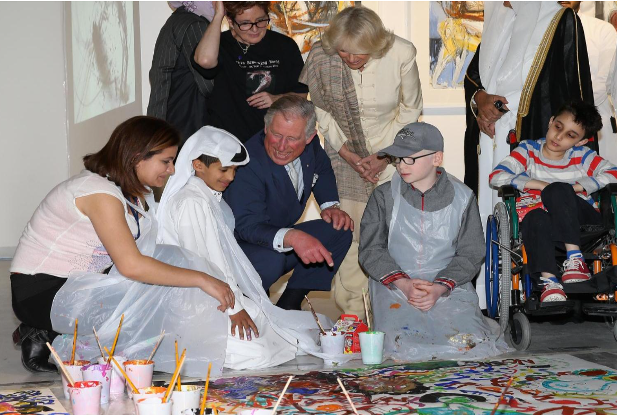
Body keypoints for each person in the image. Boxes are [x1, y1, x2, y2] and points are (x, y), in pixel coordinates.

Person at [10, 117, 235, 373]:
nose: (172, 169)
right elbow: (131, 265)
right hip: (42, 291)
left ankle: (63, 333)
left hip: (79, 283)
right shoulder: (98, 193)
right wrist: (202, 279)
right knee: (162, 296)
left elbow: (148, 253)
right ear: (136, 157)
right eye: (166, 161)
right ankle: (48, 330)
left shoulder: (128, 192)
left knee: (176, 263)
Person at [463, 2, 594, 305]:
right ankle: (485, 301)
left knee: (531, 218)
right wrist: (479, 102)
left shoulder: (561, 19)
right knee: (488, 214)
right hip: (490, 143)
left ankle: (543, 286)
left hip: (536, 141)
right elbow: (474, 78)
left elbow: (576, 92)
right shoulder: (498, 17)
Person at [299, 6, 423, 319]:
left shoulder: (401, 53)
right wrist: (347, 153)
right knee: (350, 234)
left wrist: (385, 155)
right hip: (344, 158)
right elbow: (321, 111)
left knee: (390, 235)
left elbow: (411, 109)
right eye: (344, 52)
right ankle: (354, 311)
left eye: (360, 53)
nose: (352, 60)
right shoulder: (322, 57)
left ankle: (397, 309)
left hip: (395, 156)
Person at [359, 122, 507, 361]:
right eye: (397, 159)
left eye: (409, 159)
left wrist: (439, 287)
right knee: (401, 343)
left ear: (436, 158)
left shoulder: (463, 197)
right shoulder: (383, 196)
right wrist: (404, 284)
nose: (400, 166)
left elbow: (471, 253)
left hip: (449, 286)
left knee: (468, 343)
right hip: (395, 285)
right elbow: (371, 250)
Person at [157, 126, 299, 369]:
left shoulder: (205, 196)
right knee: (260, 354)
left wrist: (239, 306)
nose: (231, 177)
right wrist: (233, 310)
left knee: (284, 334)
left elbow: (218, 257)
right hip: (196, 299)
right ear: (198, 165)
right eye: (224, 169)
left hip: (217, 293)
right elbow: (202, 264)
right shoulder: (191, 201)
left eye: (234, 169)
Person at [225, 95, 353, 311]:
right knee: (271, 262)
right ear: (266, 128)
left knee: (340, 229)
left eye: (292, 139)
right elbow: (247, 226)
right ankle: (250, 306)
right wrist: (293, 237)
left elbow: (321, 168)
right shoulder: (247, 163)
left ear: (310, 137)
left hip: (276, 234)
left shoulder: (312, 147)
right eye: (276, 134)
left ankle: (289, 305)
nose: (282, 146)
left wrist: (329, 206)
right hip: (241, 245)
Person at [490, 101, 616, 302]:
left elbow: (613, 173)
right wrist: (540, 185)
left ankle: (575, 259)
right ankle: (550, 283)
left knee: (558, 190)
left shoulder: (582, 156)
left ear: (581, 142)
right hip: (545, 226)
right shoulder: (528, 150)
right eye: (558, 127)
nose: (559, 137)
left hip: (582, 223)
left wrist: (576, 187)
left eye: (570, 135)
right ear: (551, 122)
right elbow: (497, 176)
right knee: (535, 217)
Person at [192, 1, 308, 142]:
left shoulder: (285, 46)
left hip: (272, 144)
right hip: (227, 144)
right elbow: (204, 61)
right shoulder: (219, 45)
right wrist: (218, 15)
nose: (255, 29)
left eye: (260, 21)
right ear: (230, 21)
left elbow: (301, 94)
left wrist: (277, 99)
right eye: (245, 23)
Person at [147, 1, 216, 145]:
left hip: (169, 119)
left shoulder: (178, 19)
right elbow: (208, 84)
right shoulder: (196, 25)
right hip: (186, 121)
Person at [561, 1, 617, 165]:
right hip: (552, 127)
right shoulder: (537, 29)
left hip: (596, 121)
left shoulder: (602, 29)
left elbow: (604, 80)